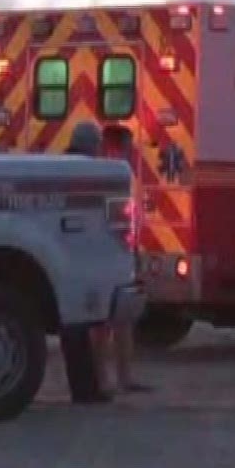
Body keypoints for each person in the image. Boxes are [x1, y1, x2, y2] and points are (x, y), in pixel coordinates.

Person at [91, 125, 152, 395]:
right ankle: (104, 379)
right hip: (108, 256)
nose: (130, 152)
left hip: (120, 254)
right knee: (104, 323)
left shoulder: (119, 175)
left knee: (122, 321)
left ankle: (121, 378)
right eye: (126, 146)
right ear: (114, 146)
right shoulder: (109, 175)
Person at [58, 122, 112, 403]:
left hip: (58, 255)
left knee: (72, 332)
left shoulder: (60, 167)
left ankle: (84, 388)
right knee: (81, 327)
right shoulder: (89, 171)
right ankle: (86, 390)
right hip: (80, 258)